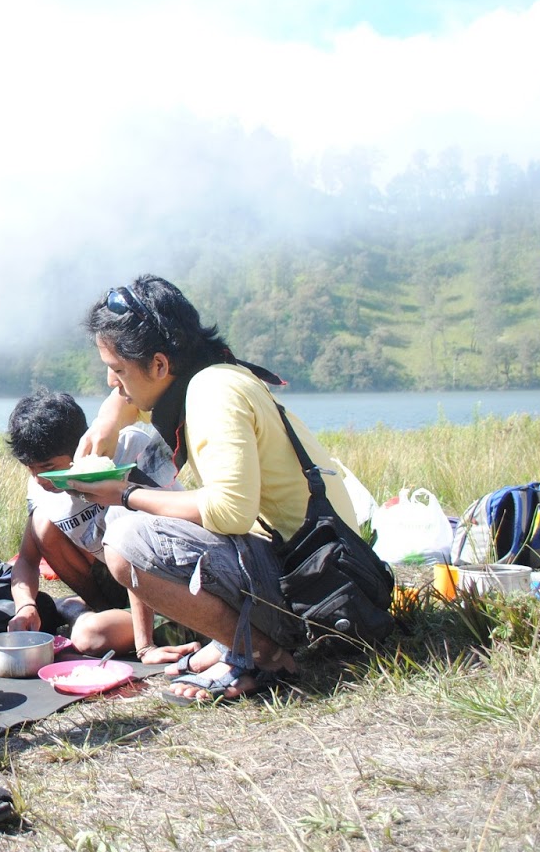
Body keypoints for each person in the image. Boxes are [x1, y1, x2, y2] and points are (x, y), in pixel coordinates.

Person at [72, 276, 359, 702]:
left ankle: (262, 655)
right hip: (323, 564)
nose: (114, 384)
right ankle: (236, 641)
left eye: (117, 371)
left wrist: (124, 494)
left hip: (316, 586)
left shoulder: (211, 395)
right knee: (133, 522)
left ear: (159, 365)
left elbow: (231, 512)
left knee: (123, 536)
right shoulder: (212, 374)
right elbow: (134, 396)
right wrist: (108, 418)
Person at [4, 390, 196, 664]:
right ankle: (104, 612)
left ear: (82, 448)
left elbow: (141, 550)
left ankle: (84, 614)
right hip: (120, 582)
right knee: (42, 523)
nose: (40, 479)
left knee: (88, 636)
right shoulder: (41, 485)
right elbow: (27, 559)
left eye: (48, 468)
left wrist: (145, 647)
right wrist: (25, 606)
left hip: (169, 583)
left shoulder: (129, 452)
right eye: (30, 469)